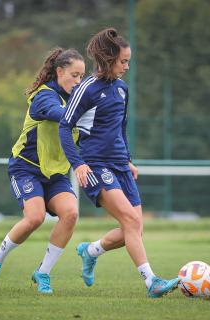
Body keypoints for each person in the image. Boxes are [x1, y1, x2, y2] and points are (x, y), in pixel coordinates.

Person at [59, 28, 181, 298]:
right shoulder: (87, 89)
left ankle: (91, 251)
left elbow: (121, 128)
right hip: (94, 165)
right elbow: (64, 127)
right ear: (108, 59)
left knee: (135, 226)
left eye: (129, 61)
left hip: (120, 165)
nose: (127, 66)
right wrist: (77, 164)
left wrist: (128, 160)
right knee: (128, 219)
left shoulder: (122, 89)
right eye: (123, 61)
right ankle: (152, 282)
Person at [0, 48, 85, 294]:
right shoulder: (43, 96)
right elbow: (58, 115)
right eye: (74, 75)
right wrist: (83, 114)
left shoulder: (78, 101)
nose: (78, 82)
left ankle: (43, 273)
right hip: (26, 168)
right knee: (34, 218)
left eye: (82, 77)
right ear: (59, 72)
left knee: (70, 214)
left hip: (56, 173)